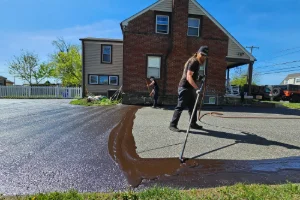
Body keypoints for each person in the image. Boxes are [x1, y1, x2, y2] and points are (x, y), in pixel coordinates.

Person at [169, 46, 209, 132]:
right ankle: (172, 125)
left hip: (189, 88)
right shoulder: (194, 61)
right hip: (185, 87)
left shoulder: (195, 62)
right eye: (202, 54)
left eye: (205, 55)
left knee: (193, 106)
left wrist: (199, 77)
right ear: (198, 53)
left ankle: (193, 123)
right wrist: (197, 88)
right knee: (180, 106)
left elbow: (192, 76)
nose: (203, 56)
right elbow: (188, 76)